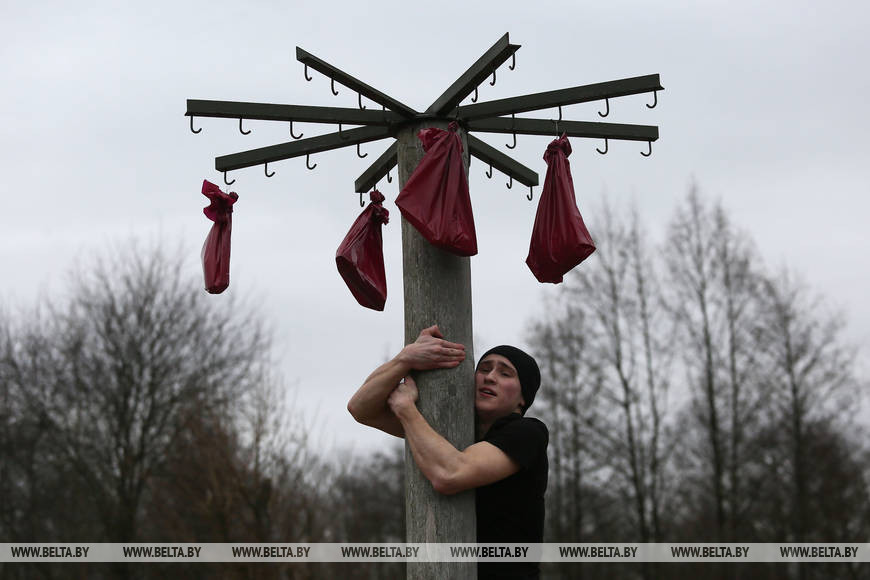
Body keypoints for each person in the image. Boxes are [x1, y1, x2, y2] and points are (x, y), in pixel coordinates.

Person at [347, 325, 548, 579]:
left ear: (523, 397)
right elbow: (360, 408)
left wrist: (406, 409)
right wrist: (406, 358)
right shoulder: (454, 430)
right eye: (484, 369)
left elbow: (450, 474)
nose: (490, 377)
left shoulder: (529, 433)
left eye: (505, 373)